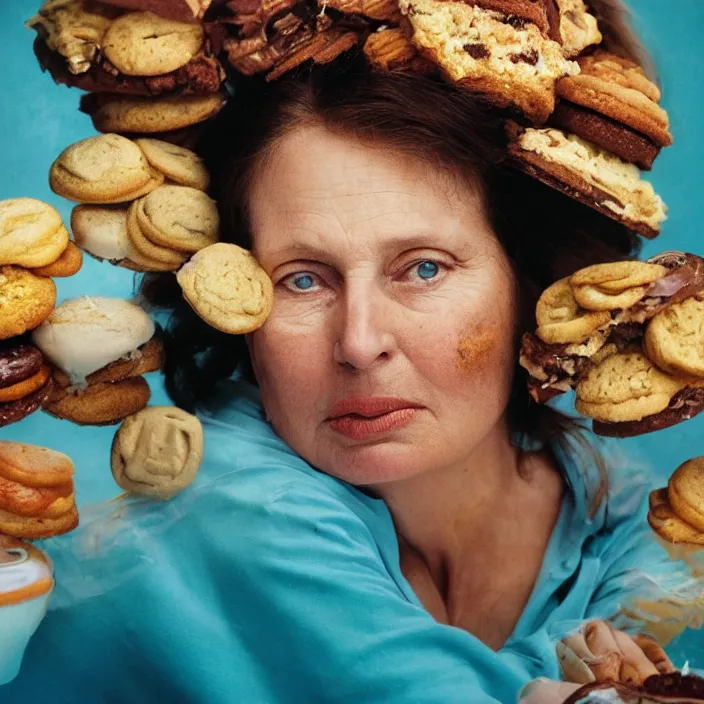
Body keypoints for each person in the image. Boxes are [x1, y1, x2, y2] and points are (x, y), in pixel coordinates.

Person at [3, 3, 700, 702]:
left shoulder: (625, 510)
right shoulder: (228, 503)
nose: (360, 344)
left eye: (423, 268)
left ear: (535, 283)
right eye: (302, 279)